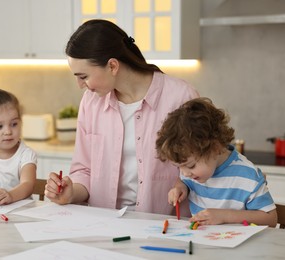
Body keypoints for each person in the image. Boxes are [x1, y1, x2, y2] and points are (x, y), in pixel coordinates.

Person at [44, 19, 199, 215]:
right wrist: (70, 192)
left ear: (113, 66)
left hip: (164, 227)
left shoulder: (181, 97)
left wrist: (181, 185)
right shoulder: (91, 103)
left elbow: (198, 168)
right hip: (105, 224)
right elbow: (84, 171)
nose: (80, 85)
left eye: (83, 76)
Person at [155, 97, 277, 226]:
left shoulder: (248, 176)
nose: (185, 173)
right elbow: (184, 180)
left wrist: (225, 216)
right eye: (179, 167)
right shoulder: (193, 173)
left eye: (191, 165)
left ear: (215, 147)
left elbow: (271, 219)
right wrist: (180, 187)